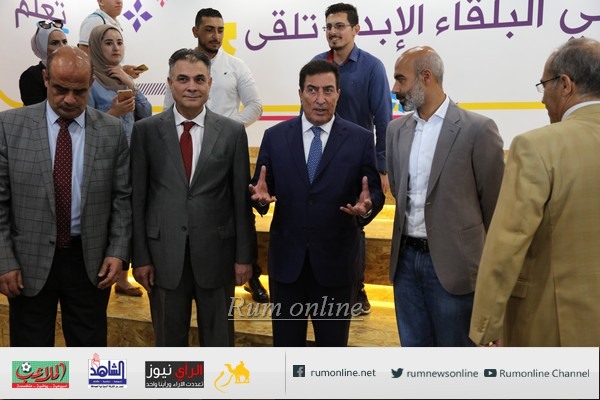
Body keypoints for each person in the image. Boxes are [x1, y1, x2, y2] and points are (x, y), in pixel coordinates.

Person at [469, 37, 600, 347]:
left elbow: (507, 243)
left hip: (554, 326)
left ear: (565, 84)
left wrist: (485, 327)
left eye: (544, 86)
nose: (542, 100)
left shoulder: (536, 147)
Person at [0, 46, 131, 346]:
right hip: (27, 261)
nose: (70, 99)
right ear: (46, 79)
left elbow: (122, 198)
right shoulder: (9, 127)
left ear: (91, 84)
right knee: (31, 359)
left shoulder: (111, 131)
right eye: (60, 89)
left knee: (89, 352)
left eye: (79, 91)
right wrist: (4, 260)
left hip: (90, 262)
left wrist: (118, 251)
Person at [249, 60, 385, 346]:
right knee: (286, 352)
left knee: (331, 355)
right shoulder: (275, 137)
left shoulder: (360, 139)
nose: (320, 99)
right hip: (287, 267)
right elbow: (262, 187)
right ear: (300, 94)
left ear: (338, 94)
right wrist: (259, 201)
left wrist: (368, 207)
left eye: (328, 90)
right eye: (312, 90)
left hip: (336, 266)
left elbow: (373, 192)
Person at [131, 48, 256, 347]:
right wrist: (141, 257)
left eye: (199, 79)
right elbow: (138, 200)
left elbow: (240, 201)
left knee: (219, 343)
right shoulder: (145, 131)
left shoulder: (232, 132)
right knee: (169, 344)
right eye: (183, 79)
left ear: (210, 84)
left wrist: (244, 257)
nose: (191, 87)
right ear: (170, 83)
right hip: (163, 257)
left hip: (218, 256)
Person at [386, 46, 505, 346]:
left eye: (401, 79)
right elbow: (399, 190)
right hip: (405, 266)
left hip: (455, 270)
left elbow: (495, 209)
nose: (395, 88)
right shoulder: (395, 131)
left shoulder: (477, 130)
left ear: (425, 77)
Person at [163, 8, 266, 303]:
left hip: (226, 153)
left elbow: (255, 106)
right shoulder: (181, 65)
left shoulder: (235, 66)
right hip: (186, 148)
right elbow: (169, 110)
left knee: (240, 209)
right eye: (209, 29)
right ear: (196, 31)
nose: (216, 36)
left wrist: (224, 130)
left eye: (220, 30)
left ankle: (251, 273)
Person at [312, 3, 392, 314]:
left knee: (353, 226)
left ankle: (356, 291)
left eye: (340, 26)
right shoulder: (316, 65)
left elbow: (383, 119)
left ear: (355, 29)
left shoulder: (371, 67)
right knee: (319, 222)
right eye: (329, 26)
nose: (333, 32)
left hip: (356, 163)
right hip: (319, 159)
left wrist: (382, 167)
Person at [87, 24, 151, 297]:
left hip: (130, 159)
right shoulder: (90, 81)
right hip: (102, 162)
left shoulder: (122, 77)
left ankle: (123, 278)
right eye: (108, 43)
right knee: (107, 216)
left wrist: (131, 84)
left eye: (119, 42)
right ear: (96, 46)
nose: (115, 48)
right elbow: (83, 125)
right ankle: (102, 272)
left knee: (129, 215)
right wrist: (112, 113)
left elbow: (146, 115)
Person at [78, 0, 141, 78]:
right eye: (108, 43)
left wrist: (123, 70)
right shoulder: (95, 20)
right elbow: (84, 56)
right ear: (101, 1)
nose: (119, 1)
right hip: (99, 81)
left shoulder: (114, 22)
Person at [19, 19, 68, 106]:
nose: (62, 47)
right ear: (42, 47)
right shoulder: (31, 76)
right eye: (54, 43)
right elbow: (35, 111)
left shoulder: (73, 71)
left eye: (64, 42)